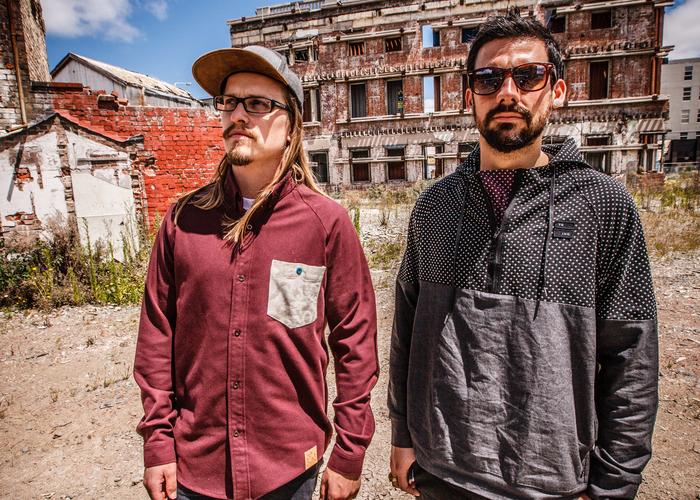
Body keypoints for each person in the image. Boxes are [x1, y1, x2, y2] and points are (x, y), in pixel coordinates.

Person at [388, 11, 658, 500]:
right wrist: (403, 435)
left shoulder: (603, 204)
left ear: (557, 91)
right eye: (488, 79)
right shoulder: (435, 206)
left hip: (549, 480)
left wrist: (615, 483)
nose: (507, 92)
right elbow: (407, 328)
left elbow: (631, 354)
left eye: (528, 75)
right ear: (469, 97)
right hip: (441, 470)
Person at [134, 45, 379, 500]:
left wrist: (349, 451)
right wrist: (158, 442)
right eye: (229, 102)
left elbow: (356, 344)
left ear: (292, 126)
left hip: (288, 467)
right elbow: (155, 338)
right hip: (195, 467)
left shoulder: (325, 224)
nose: (238, 115)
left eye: (258, 104)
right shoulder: (183, 222)